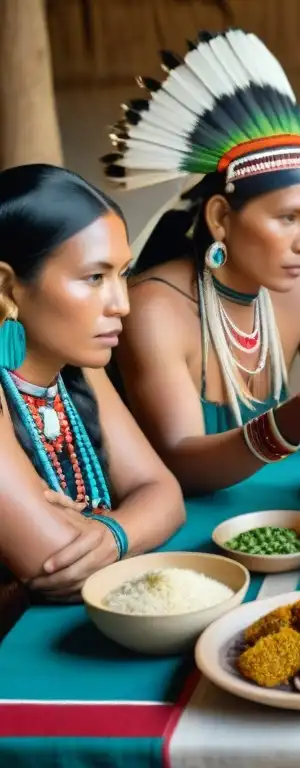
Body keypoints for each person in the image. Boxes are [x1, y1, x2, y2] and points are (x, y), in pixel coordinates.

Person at [105, 30, 300, 497]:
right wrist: (284, 427)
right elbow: (181, 462)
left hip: (277, 514)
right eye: (288, 218)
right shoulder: (155, 310)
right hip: (179, 532)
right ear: (221, 217)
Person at [0, 164, 185, 610]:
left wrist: (111, 532)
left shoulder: (77, 367)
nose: (121, 304)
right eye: (94, 278)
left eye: (123, 273)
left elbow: (165, 494)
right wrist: (123, 520)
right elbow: (53, 561)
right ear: (7, 286)